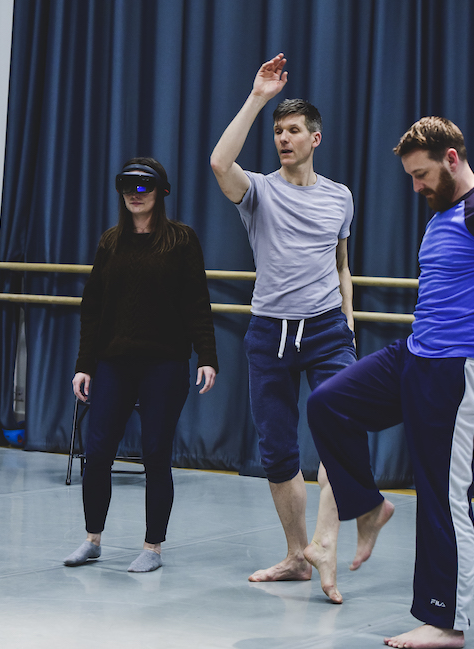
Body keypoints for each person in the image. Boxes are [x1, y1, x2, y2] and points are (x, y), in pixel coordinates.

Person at [304, 117, 474, 648]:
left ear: (452, 158)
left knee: (444, 497)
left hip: (456, 370)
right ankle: (367, 505)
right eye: (411, 177)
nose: (416, 187)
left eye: (421, 174)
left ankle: (446, 623)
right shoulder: (444, 212)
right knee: (327, 404)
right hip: (414, 356)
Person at [209, 53, 365, 587]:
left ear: (314, 138)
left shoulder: (340, 197)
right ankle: (298, 555)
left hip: (326, 331)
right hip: (269, 332)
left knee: (340, 439)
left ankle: (325, 546)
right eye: (278, 130)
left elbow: (343, 266)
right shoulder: (259, 192)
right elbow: (218, 165)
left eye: (293, 130)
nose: (283, 137)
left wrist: (348, 322)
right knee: (278, 450)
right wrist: (258, 98)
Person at [63, 157, 219, 573]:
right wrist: (85, 364)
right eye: (129, 186)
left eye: (144, 186)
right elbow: (92, 308)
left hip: (164, 365)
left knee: (155, 453)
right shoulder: (110, 242)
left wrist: (207, 355)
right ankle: (92, 538)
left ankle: (153, 547)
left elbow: (196, 304)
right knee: (97, 453)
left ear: (161, 192)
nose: (136, 194)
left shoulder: (181, 241)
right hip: (114, 362)